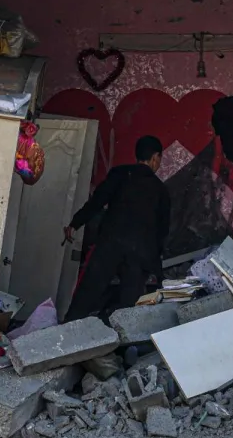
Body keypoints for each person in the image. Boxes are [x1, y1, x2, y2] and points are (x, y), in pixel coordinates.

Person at [63, 135, 172, 321]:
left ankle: (64, 334)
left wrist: (75, 223)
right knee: (129, 307)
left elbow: (97, 201)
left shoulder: (120, 175)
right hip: (140, 254)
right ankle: (122, 345)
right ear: (155, 157)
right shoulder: (160, 190)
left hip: (110, 245)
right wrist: (156, 262)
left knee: (87, 295)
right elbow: (162, 230)